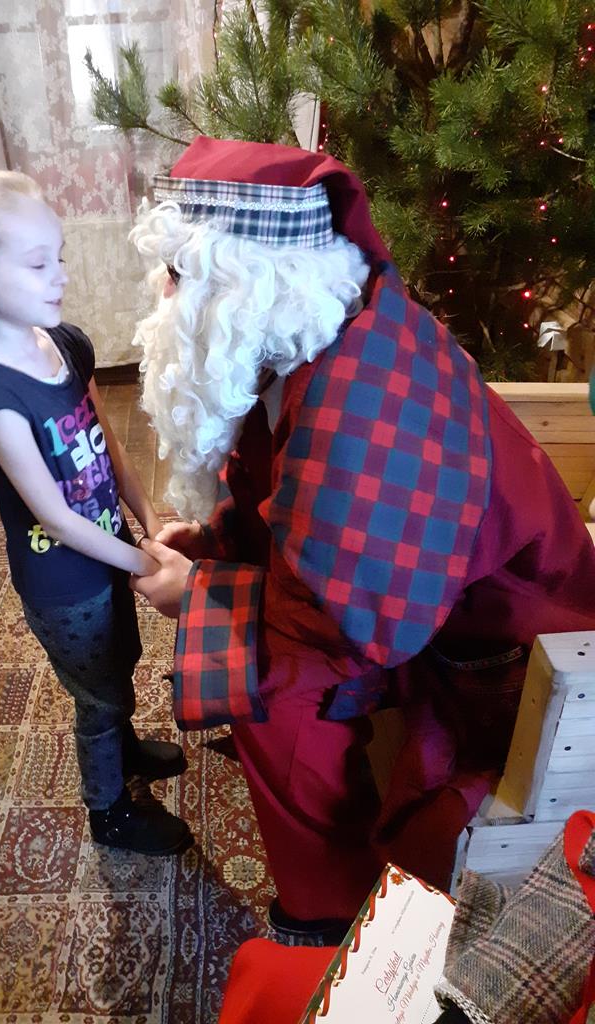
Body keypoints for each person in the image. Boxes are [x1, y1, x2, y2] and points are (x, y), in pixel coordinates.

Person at [128, 137, 595, 934]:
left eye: (179, 275)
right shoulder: (327, 335)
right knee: (248, 650)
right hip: (421, 607)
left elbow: (334, 633)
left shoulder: (362, 413)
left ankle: (327, 916)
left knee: (272, 698)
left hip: (507, 661)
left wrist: (197, 593)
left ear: (251, 290)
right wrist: (216, 540)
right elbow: (286, 496)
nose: (161, 296)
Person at [0, 169, 191, 856]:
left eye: (60, 257)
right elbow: (56, 518)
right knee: (97, 698)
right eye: (37, 263)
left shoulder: (65, 343)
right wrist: (147, 563)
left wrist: (149, 521)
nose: (60, 276)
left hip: (107, 552)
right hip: (63, 584)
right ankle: (109, 812)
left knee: (119, 661)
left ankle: (127, 750)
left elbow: (108, 444)